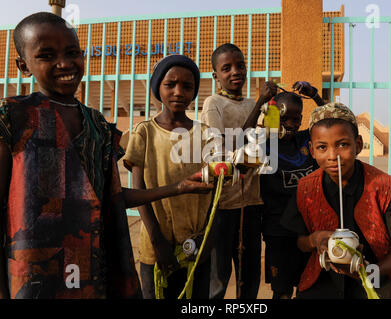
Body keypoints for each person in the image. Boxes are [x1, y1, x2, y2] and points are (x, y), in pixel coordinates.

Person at [0, 12, 212, 299]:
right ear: (23, 66)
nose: (64, 63)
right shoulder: (13, 118)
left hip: (94, 270)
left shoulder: (97, 126)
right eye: (47, 55)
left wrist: (177, 188)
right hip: (35, 278)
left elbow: (111, 198)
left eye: (72, 52)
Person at [281, 102, 391, 299]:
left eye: (343, 145)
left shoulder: (383, 186)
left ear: (358, 145)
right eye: (322, 147)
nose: (333, 156)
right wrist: (314, 239)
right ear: (312, 150)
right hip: (325, 277)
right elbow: (300, 242)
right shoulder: (306, 188)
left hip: (378, 275)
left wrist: (368, 272)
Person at [123, 54, 214, 299]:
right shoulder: (144, 132)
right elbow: (138, 190)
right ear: (157, 88)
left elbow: (215, 189)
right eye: (170, 84)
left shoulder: (204, 134)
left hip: (196, 244)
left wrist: (206, 238)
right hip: (156, 245)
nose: (178, 92)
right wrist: (157, 241)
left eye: (187, 86)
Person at [201, 43, 277, 299]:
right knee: (219, 277)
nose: (235, 72)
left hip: (252, 205)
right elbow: (229, 149)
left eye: (240, 65)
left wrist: (273, 111)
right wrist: (261, 104)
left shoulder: (252, 104)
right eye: (226, 68)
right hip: (223, 206)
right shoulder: (214, 104)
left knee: (249, 277)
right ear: (216, 76)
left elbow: (266, 143)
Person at [256, 82, 324, 299]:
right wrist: (263, 103)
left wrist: (315, 96)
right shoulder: (264, 146)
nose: (291, 124)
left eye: (296, 119)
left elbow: (333, 121)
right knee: (282, 290)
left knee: (307, 286)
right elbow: (241, 140)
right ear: (275, 117)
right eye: (284, 118)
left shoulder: (305, 140)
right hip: (278, 229)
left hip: (307, 228)